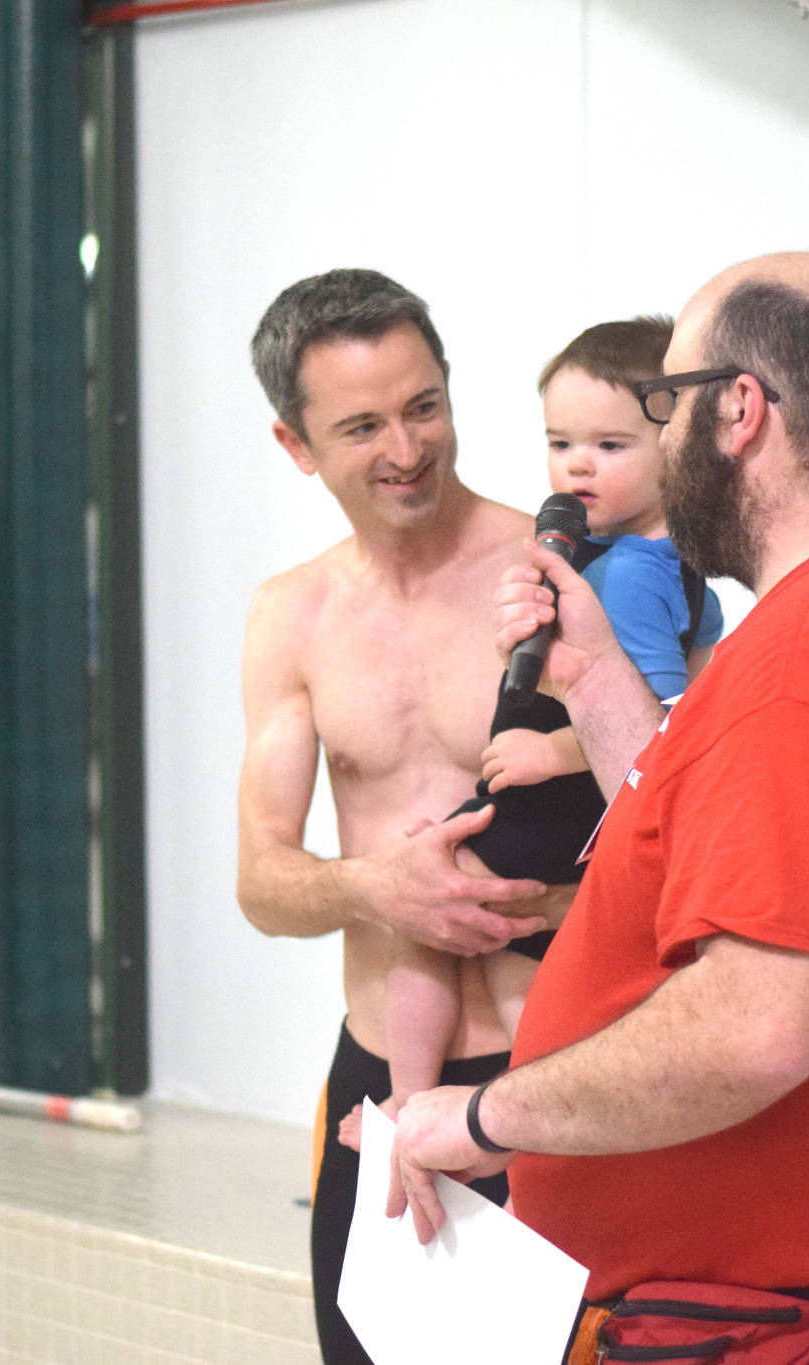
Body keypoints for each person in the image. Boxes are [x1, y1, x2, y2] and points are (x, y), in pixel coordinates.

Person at [388, 252, 809, 1365]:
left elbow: (755, 1025)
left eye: (664, 404)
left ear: (738, 412)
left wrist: (485, 1116)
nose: (658, 433)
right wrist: (594, 681)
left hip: (754, 1328)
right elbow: (733, 828)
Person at [236, 267, 569, 1365]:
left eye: (423, 406)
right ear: (296, 446)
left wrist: (555, 896)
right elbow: (263, 884)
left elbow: (671, 808)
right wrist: (375, 885)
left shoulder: (553, 573)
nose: (406, 448)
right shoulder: (293, 618)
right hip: (385, 1076)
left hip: (557, 1076)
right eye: (363, 425)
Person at [381, 316, 725, 1121]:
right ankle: (505, 1110)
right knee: (511, 951)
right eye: (559, 441)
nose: (576, 464)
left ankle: (411, 1104)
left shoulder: (635, 575)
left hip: (567, 799)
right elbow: (707, 691)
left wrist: (552, 750)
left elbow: (664, 714)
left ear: (676, 446)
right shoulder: (661, 564)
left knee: (428, 904)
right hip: (576, 803)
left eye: (609, 446)